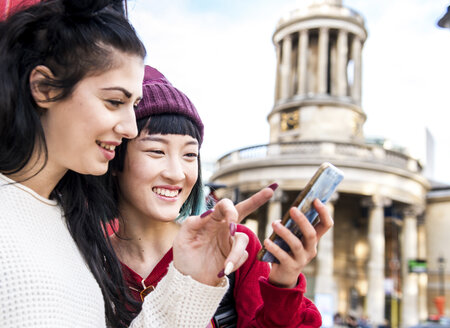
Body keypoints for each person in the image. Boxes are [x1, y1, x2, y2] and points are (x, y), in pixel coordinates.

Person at [0, 1, 269, 327]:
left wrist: (193, 281)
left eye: (133, 104)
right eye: (114, 102)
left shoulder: (73, 229)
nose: (129, 128)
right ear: (43, 88)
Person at [107, 65, 334, 327]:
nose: (177, 173)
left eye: (190, 155)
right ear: (115, 157)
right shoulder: (86, 257)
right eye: (157, 151)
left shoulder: (234, 245)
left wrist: (283, 283)